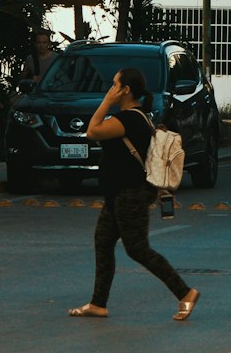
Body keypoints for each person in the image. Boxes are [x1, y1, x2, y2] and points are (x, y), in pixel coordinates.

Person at [67, 67, 200, 323]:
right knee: (103, 241)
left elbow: (92, 131)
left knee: (137, 248)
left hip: (131, 194)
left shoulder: (129, 119)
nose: (110, 89)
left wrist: (106, 102)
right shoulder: (136, 117)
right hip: (118, 193)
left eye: (114, 85)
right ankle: (98, 304)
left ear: (125, 90)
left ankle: (185, 292)